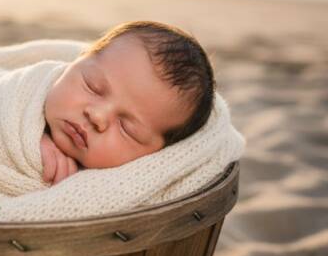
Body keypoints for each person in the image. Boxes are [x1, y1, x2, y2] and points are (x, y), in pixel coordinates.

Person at [41, 20, 216, 185]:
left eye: (126, 128)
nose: (97, 116)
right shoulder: (32, 85)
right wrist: (32, 138)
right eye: (92, 87)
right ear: (78, 59)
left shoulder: (119, 189)